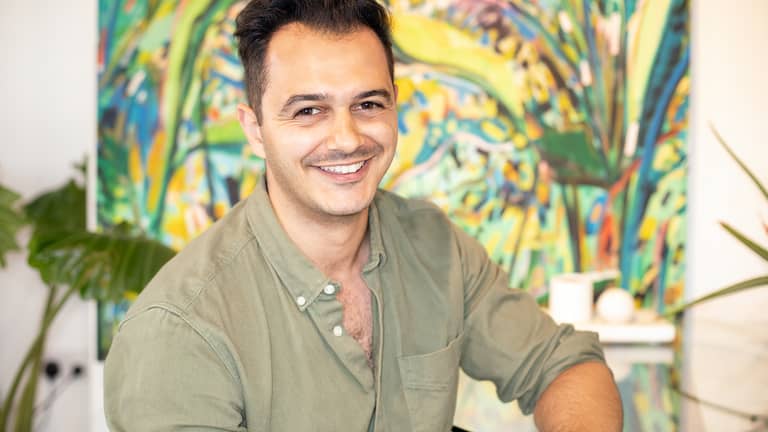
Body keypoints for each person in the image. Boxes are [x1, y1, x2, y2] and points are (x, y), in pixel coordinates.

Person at [104, 0, 623, 431]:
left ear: (395, 106)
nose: (347, 138)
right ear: (255, 129)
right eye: (309, 111)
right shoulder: (180, 331)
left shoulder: (435, 246)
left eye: (368, 104)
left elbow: (565, 365)